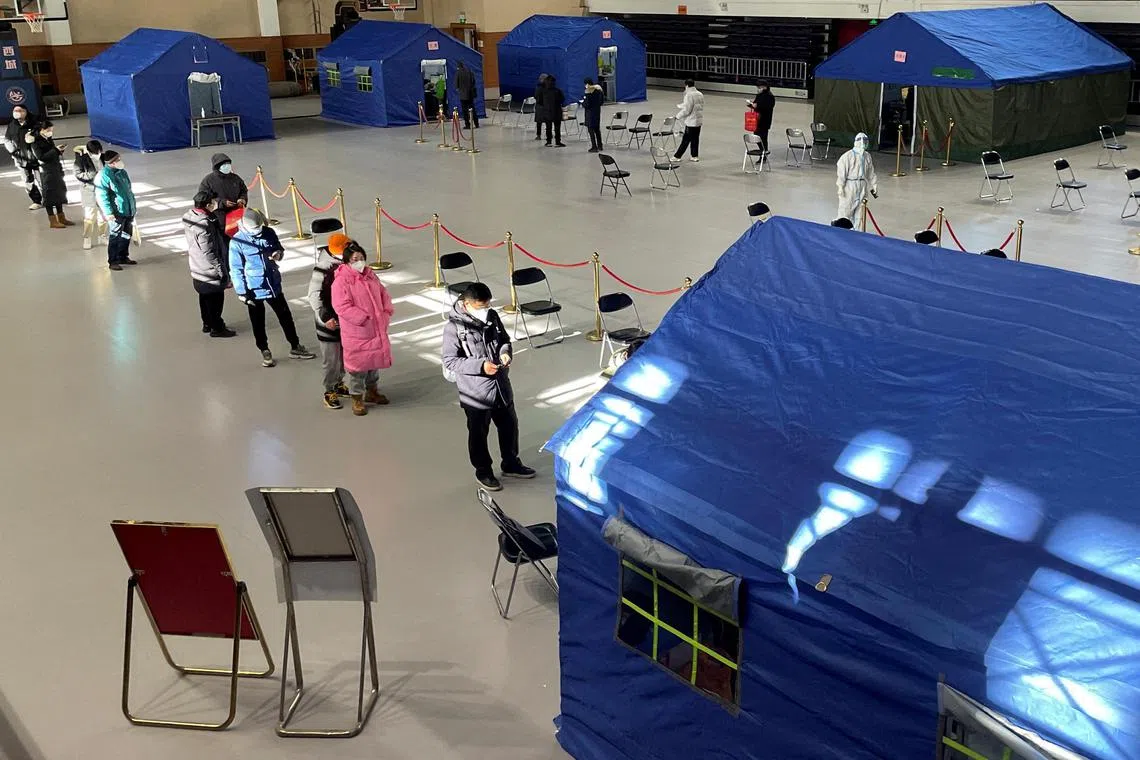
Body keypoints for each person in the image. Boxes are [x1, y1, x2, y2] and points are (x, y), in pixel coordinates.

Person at [442, 282, 535, 491]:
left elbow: (504, 339)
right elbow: (450, 361)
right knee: (478, 433)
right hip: (475, 392)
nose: (486, 309)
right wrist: (480, 366)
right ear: (466, 304)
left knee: (509, 425)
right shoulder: (454, 328)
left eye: (487, 305)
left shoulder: (492, 316)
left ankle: (511, 463)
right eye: (481, 306)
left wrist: (505, 352)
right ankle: (483, 471)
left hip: (500, 386)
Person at [228, 207, 316, 367]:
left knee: (285, 316)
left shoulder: (268, 232)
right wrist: (242, 292)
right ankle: (264, 350)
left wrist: (278, 254)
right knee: (258, 321)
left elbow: (278, 248)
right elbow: (236, 269)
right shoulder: (237, 242)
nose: (258, 231)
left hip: (273, 284)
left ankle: (295, 346)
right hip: (253, 288)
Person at [331, 240, 394, 416]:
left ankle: (372, 392)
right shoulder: (341, 282)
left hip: (376, 328)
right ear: (346, 262)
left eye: (360, 258)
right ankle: (357, 398)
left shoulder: (370, 275)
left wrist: (386, 312)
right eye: (354, 259)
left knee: (374, 363)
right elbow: (341, 306)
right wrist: (363, 318)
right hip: (358, 331)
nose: (358, 261)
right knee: (357, 368)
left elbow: (383, 294)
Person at [183, 190, 236, 338]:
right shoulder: (205, 224)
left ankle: (207, 323)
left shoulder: (190, 216)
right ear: (207, 205)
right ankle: (217, 327)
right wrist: (222, 271)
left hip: (196, 265)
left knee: (204, 297)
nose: (214, 205)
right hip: (209, 269)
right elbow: (210, 252)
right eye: (212, 203)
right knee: (216, 299)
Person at [308, 232, 351, 409]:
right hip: (328, 322)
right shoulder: (322, 270)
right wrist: (326, 318)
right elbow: (314, 297)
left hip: (344, 319)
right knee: (331, 359)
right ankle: (329, 389)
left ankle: (339, 383)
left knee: (342, 355)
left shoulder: (346, 264)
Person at [94, 150, 138, 271]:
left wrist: (132, 207)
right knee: (115, 236)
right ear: (111, 162)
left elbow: (129, 191)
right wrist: (108, 213)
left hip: (127, 210)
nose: (120, 161)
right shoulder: (103, 176)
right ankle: (113, 260)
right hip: (116, 212)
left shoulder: (122, 172)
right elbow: (102, 197)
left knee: (126, 234)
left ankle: (123, 256)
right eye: (117, 160)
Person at [27, 120, 72, 229]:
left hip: (55, 168)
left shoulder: (48, 139)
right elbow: (40, 157)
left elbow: (51, 151)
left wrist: (59, 151)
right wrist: (55, 150)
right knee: (49, 195)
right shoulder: (35, 142)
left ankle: (61, 217)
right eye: (48, 130)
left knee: (59, 192)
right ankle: (52, 220)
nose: (50, 132)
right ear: (42, 130)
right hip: (46, 170)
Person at [197, 153, 247, 236]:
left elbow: (243, 190)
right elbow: (204, 199)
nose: (227, 166)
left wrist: (242, 198)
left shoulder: (235, 178)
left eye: (228, 164)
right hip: (219, 217)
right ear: (218, 166)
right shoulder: (208, 181)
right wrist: (222, 203)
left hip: (236, 215)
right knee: (223, 238)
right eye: (224, 164)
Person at [4, 105, 42, 210]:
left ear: (25, 112)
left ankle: (48, 200)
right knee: (27, 181)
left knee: (42, 180)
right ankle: (36, 201)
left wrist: (34, 138)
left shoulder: (35, 123)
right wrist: (14, 151)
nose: (17, 112)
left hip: (36, 157)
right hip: (20, 159)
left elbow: (44, 136)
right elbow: (7, 140)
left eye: (20, 110)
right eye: (15, 110)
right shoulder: (12, 125)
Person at [835, 132, 879, 225]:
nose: (863, 143)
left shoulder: (867, 156)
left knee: (860, 214)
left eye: (865, 141)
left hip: (862, 186)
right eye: (861, 141)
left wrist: (874, 186)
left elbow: (871, 173)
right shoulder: (847, 156)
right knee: (845, 211)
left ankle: (858, 234)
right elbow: (842, 173)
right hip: (850, 187)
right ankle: (842, 233)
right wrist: (840, 186)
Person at [74, 139, 107, 250]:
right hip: (89, 191)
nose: (97, 155)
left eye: (99, 152)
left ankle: (102, 235)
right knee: (89, 216)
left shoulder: (103, 157)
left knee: (103, 216)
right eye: (95, 153)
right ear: (89, 152)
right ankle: (87, 238)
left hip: (102, 191)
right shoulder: (81, 160)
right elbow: (78, 174)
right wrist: (92, 175)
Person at [673, 79, 705, 163]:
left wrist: (677, 116)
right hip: (698, 120)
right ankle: (694, 156)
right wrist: (682, 105)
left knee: (686, 140)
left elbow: (687, 110)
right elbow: (697, 106)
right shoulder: (700, 94)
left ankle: (677, 156)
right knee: (695, 138)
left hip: (691, 121)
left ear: (686, 85)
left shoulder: (688, 95)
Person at [747, 80, 776, 154]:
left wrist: (757, 106)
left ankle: (764, 152)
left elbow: (768, 107)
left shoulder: (769, 96)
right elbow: (756, 103)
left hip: (765, 120)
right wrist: (751, 104)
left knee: (763, 137)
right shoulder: (759, 95)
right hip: (757, 119)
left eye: (760, 87)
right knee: (756, 135)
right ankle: (762, 151)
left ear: (765, 87)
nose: (758, 89)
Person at [537, 75, 566, 148]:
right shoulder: (558, 91)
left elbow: (539, 101)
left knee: (548, 127)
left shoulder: (543, 91)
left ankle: (548, 141)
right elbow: (562, 99)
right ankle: (558, 142)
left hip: (547, 111)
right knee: (557, 127)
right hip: (557, 111)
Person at [583, 78, 604, 153]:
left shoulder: (588, 92)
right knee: (597, 130)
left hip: (590, 113)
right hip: (597, 112)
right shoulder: (599, 90)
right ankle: (600, 146)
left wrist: (583, 103)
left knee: (591, 130)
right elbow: (601, 102)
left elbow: (587, 104)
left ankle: (594, 146)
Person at [456, 61, 479, 130]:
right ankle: (476, 123)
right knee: (473, 109)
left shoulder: (458, 73)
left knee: (465, 111)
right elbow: (473, 81)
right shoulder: (469, 71)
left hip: (463, 95)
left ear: (458, 67)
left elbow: (456, 85)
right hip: (470, 94)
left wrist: (459, 88)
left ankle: (467, 125)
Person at [533, 73, 548, 140]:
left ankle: (538, 135)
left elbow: (536, 96)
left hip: (540, 106)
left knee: (539, 122)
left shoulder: (538, 87)